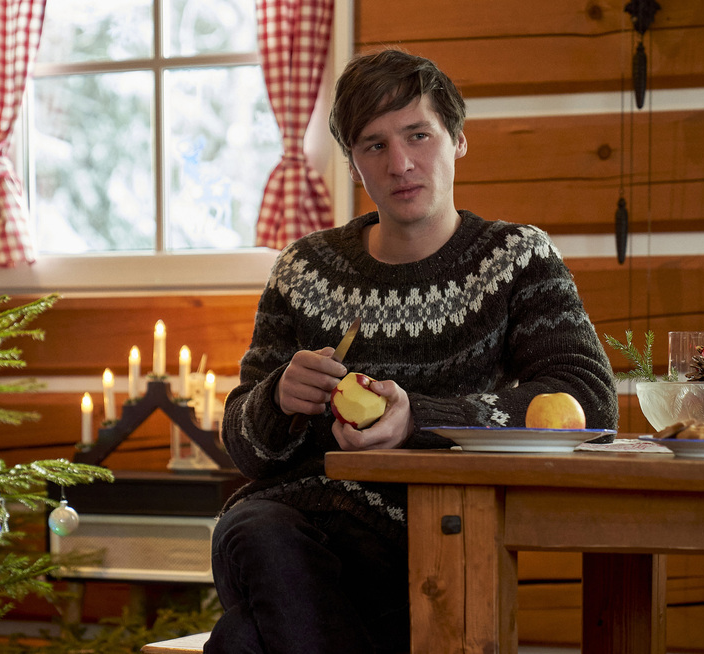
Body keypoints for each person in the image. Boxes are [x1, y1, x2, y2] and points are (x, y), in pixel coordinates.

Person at [205, 48, 618, 654]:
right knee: (256, 531)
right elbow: (245, 447)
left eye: (418, 135)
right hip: (279, 525)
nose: (399, 164)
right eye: (374, 145)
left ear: (458, 139)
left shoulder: (516, 261)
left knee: (243, 641)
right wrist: (276, 400)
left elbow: (588, 403)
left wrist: (418, 419)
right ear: (354, 166)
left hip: (428, 539)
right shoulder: (303, 269)